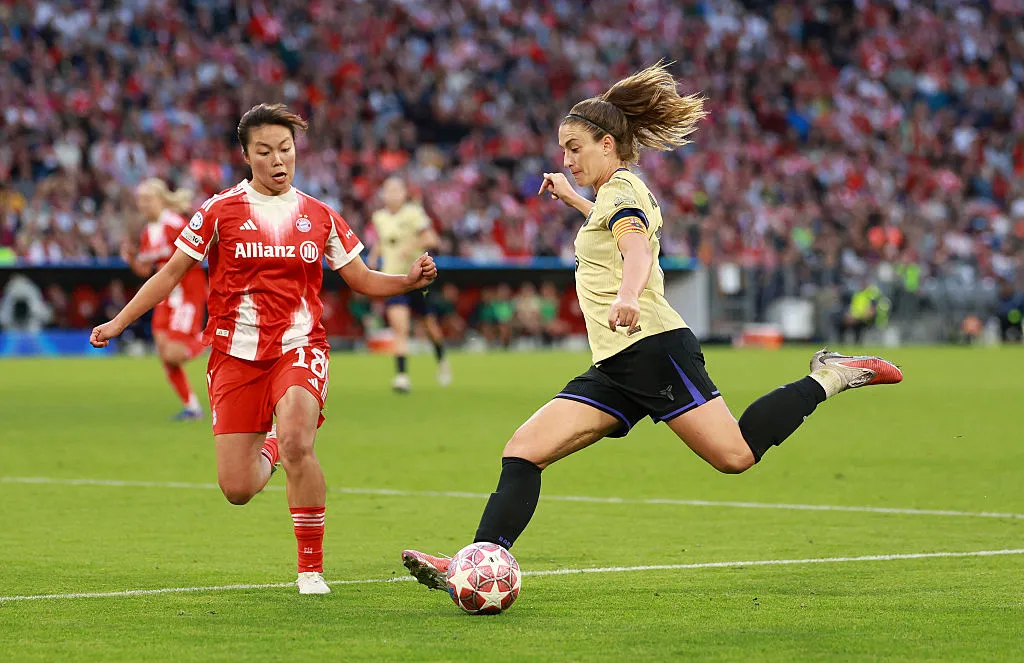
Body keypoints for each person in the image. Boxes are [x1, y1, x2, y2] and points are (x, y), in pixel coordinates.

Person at [400, 63, 902, 591]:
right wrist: (574, 201)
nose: (567, 160)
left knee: (734, 456)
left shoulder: (622, 192)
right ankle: (474, 561)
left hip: (653, 349)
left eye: (574, 149)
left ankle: (830, 376)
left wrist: (626, 295)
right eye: (563, 151)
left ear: (608, 145)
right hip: (616, 363)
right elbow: (609, 227)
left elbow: (634, 247)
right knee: (524, 450)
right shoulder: (614, 194)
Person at [91, 103, 437, 594]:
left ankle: (311, 569)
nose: (279, 160)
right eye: (266, 151)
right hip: (235, 355)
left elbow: (359, 278)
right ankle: (272, 446)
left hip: (300, 346)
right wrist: (119, 322)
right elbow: (168, 275)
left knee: (300, 440)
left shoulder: (318, 215)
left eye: (286, 149)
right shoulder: (218, 211)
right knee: (237, 488)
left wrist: (407, 281)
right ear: (246, 156)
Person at [121, 178, 208, 420]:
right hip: (165, 298)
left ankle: (213, 335)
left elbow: (196, 257)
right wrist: (131, 259)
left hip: (187, 294)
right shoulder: (149, 231)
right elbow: (145, 270)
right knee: (164, 354)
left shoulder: (176, 224)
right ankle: (192, 408)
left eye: (148, 199)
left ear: (161, 199)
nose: (143, 204)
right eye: (140, 200)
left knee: (174, 354)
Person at [368, 177, 450, 392]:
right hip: (394, 278)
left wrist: (410, 245)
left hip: (419, 278)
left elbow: (432, 239)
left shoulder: (414, 213)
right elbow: (382, 240)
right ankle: (402, 376)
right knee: (400, 327)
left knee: (429, 326)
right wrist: (374, 256)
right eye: (388, 190)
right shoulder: (379, 217)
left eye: (396, 190)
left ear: (404, 193)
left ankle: (441, 359)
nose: (392, 194)